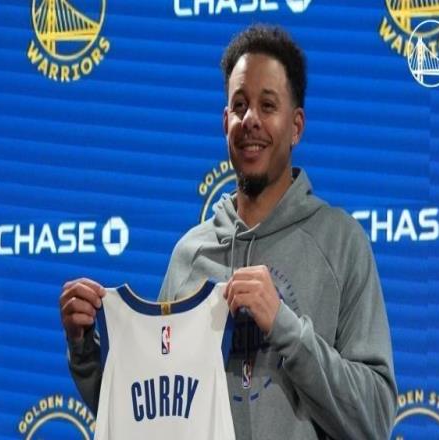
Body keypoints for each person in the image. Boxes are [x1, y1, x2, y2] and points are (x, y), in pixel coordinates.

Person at [60, 24, 397, 439]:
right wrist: (84, 351)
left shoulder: (341, 242)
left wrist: (285, 326)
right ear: (225, 123)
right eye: (240, 105)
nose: (250, 120)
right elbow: (147, 416)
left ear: (296, 126)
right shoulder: (191, 255)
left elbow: (375, 418)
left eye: (267, 105)